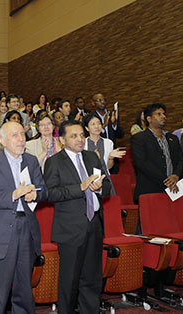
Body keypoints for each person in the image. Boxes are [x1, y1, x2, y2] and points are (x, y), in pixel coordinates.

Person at [0, 122, 48, 314]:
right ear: (4, 141)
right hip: (0, 234)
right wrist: (13, 194)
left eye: (23, 135)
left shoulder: (31, 161)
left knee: (24, 289)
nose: (21, 139)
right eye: (15, 135)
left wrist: (36, 194)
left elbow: (43, 189)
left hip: (26, 229)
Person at [43, 120, 111, 314]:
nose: (80, 139)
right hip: (70, 228)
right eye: (74, 136)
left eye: (82, 135)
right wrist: (80, 187)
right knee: (70, 280)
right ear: (63, 140)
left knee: (92, 278)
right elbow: (51, 193)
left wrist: (99, 188)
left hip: (94, 225)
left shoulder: (92, 157)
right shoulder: (54, 162)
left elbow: (107, 186)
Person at [131, 103, 183, 202]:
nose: (163, 117)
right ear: (149, 119)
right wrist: (167, 180)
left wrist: (176, 175)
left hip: (174, 189)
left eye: (164, 114)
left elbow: (181, 159)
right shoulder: (139, 138)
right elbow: (141, 163)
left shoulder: (172, 138)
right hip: (151, 189)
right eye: (159, 114)